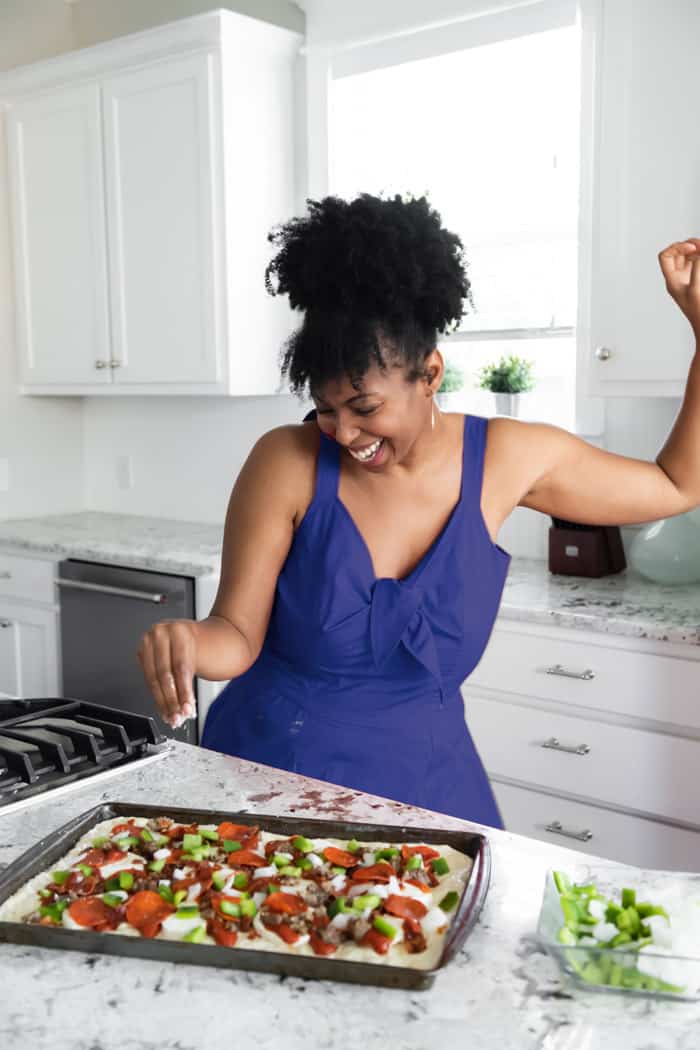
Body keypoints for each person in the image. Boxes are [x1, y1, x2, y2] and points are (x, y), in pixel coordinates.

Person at [137, 192, 700, 827]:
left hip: (430, 779)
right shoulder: (286, 462)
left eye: (364, 407)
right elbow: (235, 638)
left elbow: (675, 484)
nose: (345, 432)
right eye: (325, 409)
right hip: (272, 769)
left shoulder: (507, 459)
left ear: (430, 372)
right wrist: (188, 640)